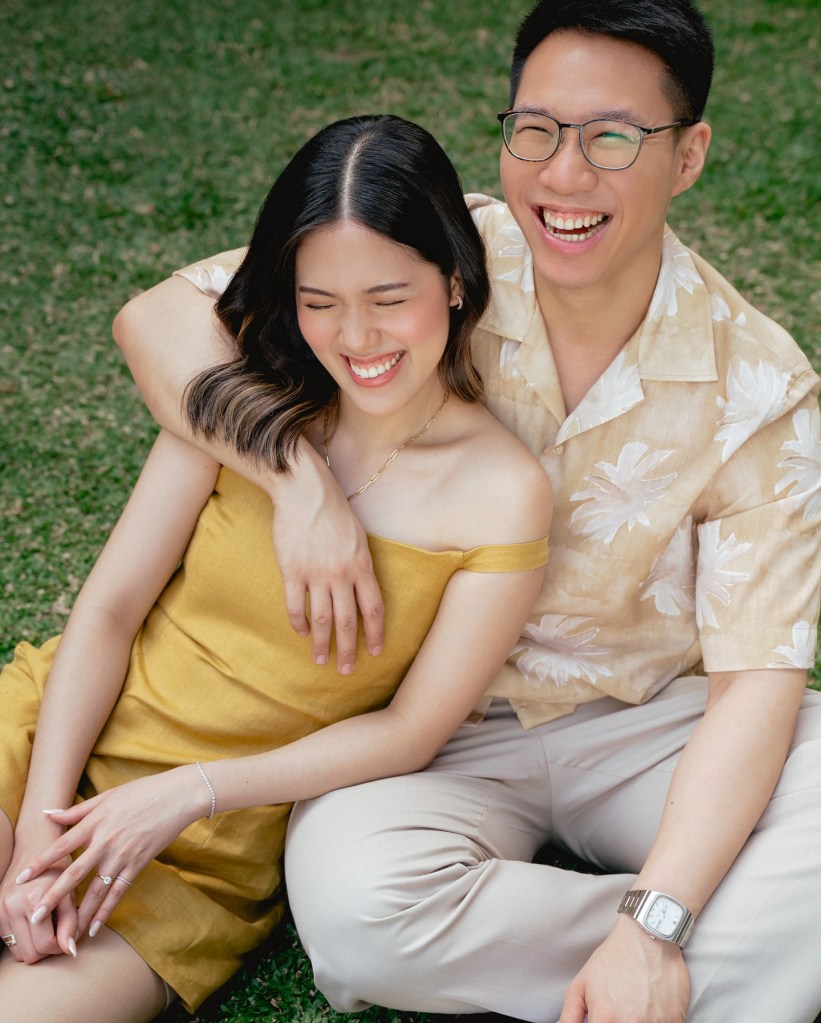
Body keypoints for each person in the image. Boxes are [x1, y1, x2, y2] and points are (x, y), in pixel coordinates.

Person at [113, 2, 821, 1021]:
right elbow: (159, 317)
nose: (563, 174)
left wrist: (653, 921)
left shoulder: (760, 385)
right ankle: (718, 953)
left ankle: (652, 950)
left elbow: (755, 685)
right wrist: (297, 484)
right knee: (353, 912)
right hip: (431, 725)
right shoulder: (438, 257)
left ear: (688, 155)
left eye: (611, 137)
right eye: (535, 130)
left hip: (644, 722)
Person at [0, 114, 552, 1023]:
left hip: (201, 849)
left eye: (388, 297)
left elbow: (409, 730)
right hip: (48, 744)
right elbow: (108, 610)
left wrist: (186, 793)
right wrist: (36, 835)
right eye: (319, 301)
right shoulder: (246, 401)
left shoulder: (504, 492)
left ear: (455, 281)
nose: (357, 337)